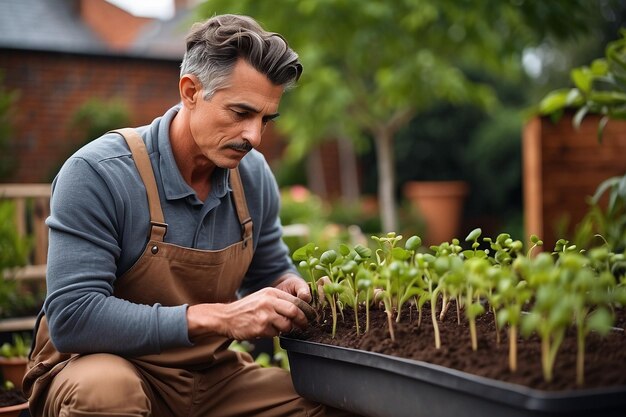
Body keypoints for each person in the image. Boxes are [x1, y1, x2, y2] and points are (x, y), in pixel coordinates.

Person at [24, 14, 354, 417]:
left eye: (266, 119)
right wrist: (222, 317)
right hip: (98, 365)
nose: (254, 136)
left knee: (334, 404)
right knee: (107, 392)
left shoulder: (252, 175)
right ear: (191, 90)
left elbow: (270, 269)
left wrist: (290, 289)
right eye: (240, 113)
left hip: (208, 377)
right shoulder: (99, 173)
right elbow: (74, 317)